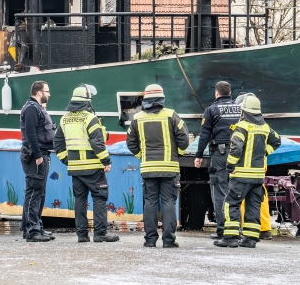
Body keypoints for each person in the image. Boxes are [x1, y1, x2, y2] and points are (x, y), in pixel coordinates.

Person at [127, 84, 189, 248]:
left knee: (150, 203)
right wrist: (178, 154)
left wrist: (142, 156)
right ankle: (168, 241)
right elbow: (184, 140)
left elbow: (131, 143)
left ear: (145, 99)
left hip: (148, 169)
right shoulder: (171, 115)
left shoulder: (137, 118)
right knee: (169, 202)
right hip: (169, 168)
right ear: (162, 98)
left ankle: (150, 240)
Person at [215, 94, 281, 249]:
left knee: (231, 203)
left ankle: (230, 237)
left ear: (244, 111)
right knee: (253, 206)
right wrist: (264, 152)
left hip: (241, 175)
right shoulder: (265, 128)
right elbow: (277, 141)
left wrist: (230, 165)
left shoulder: (242, 127)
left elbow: (236, 148)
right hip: (258, 177)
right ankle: (250, 239)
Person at [55, 85, 118, 243]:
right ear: (87, 102)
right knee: (99, 198)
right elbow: (98, 143)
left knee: (80, 200)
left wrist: (66, 160)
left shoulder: (64, 119)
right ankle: (100, 234)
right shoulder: (90, 118)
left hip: (75, 169)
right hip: (93, 168)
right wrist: (106, 161)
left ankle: (82, 235)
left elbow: (57, 142)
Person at [194, 81, 240, 240]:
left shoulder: (211, 110)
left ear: (216, 93)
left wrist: (198, 155)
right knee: (235, 191)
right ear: (230, 92)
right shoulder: (240, 109)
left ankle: (222, 230)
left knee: (220, 191)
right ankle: (235, 229)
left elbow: (205, 135)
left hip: (220, 155)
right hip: (238, 154)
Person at [20, 81, 56, 242]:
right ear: (39, 92)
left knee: (39, 192)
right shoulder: (31, 109)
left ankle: (35, 227)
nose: (49, 94)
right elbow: (31, 133)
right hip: (36, 155)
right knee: (34, 192)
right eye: (47, 91)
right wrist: (37, 155)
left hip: (42, 153)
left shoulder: (37, 108)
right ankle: (32, 231)